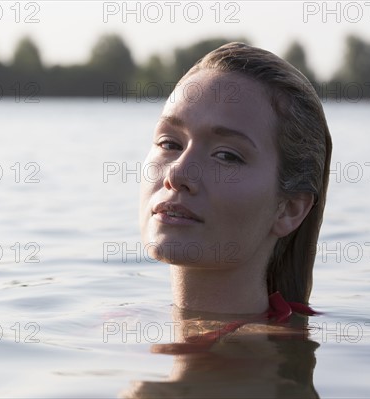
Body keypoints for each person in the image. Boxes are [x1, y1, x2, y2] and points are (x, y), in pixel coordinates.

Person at [139, 42, 332, 316]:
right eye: (170, 144)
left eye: (227, 156)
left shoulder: (266, 350)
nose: (178, 174)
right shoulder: (118, 326)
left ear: (290, 208)